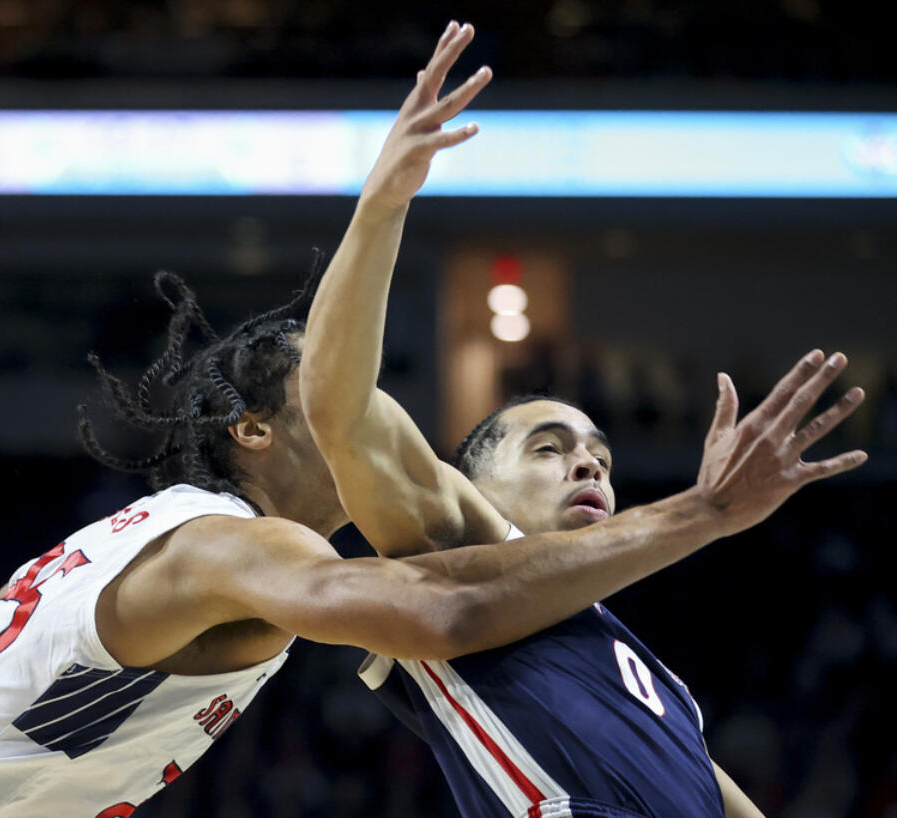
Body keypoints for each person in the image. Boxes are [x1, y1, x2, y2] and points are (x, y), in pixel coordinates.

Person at [0, 26, 863, 818]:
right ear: (250, 431)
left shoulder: (233, 555)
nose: (373, 412)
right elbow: (446, 599)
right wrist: (706, 512)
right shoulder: (228, 542)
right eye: (337, 396)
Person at [299, 20, 867, 818]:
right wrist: (382, 204)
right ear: (472, 486)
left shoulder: (657, 682)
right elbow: (338, 409)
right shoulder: (455, 543)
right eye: (549, 446)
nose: (590, 464)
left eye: (599, 452)